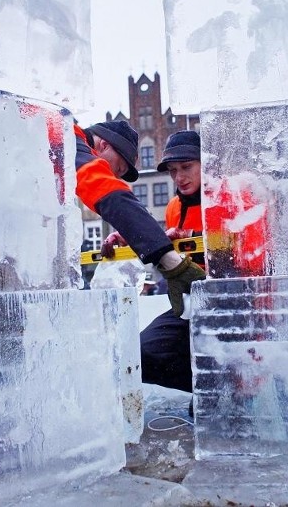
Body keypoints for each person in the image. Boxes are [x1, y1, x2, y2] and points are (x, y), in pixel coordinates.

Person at [74, 120, 204, 316]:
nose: (113, 178)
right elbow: (109, 192)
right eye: (117, 170)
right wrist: (172, 262)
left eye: (186, 167)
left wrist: (133, 235)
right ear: (104, 146)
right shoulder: (65, 141)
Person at [137, 130, 203, 395]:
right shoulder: (174, 207)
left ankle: (226, 388)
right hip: (189, 303)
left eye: (186, 167)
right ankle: (209, 388)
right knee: (141, 354)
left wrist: (194, 237)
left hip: (232, 303)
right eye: (173, 171)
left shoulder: (228, 198)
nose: (179, 177)